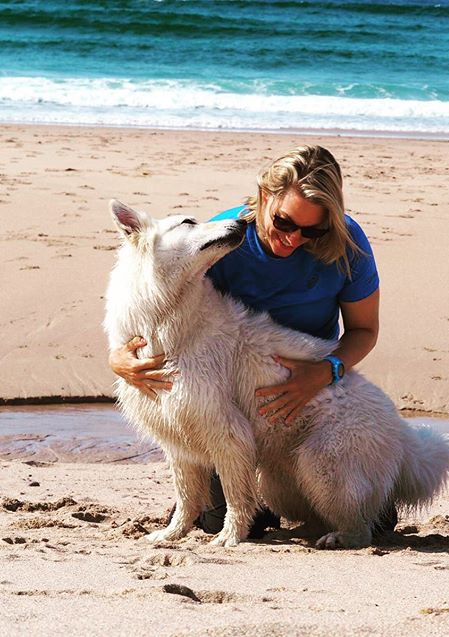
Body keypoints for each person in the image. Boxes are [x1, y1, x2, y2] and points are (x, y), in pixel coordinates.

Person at [108, 145, 396, 538]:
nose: (295, 238)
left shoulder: (348, 244)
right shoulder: (223, 238)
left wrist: (325, 371)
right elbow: (163, 315)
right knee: (217, 521)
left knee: (374, 519)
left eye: (312, 230)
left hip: (313, 394)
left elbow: (365, 331)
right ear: (264, 197)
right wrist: (119, 360)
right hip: (232, 389)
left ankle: (357, 487)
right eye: (284, 222)